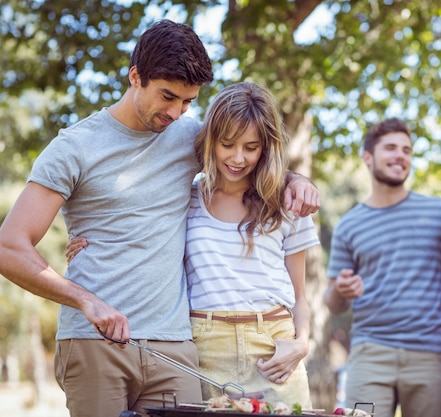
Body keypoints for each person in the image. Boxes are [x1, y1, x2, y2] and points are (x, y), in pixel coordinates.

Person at [0, 20, 319, 417]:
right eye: (167, 96)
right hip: (97, 341)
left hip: (176, 346)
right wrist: (85, 300)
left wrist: (295, 180)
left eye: (187, 102)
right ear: (135, 76)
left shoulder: (189, 136)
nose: (176, 112)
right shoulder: (74, 148)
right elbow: (9, 247)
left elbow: (245, 153)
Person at [185, 81, 320, 408]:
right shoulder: (187, 198)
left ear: (266, 147)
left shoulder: (288, 203)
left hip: (274, 348)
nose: (237, 157)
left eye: (251, 147)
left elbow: (300, 296)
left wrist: (302, 344)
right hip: (205, 348)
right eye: (227, 144)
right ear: (210, 141)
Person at [323, 117, 441, 417]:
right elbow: (333, 304)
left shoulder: (440, 212)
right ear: (367, 157)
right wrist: (341, 290)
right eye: (391, 148)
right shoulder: (349, 225)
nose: (401, 156)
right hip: (370, 353)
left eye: (407, 150)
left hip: (429, 353)